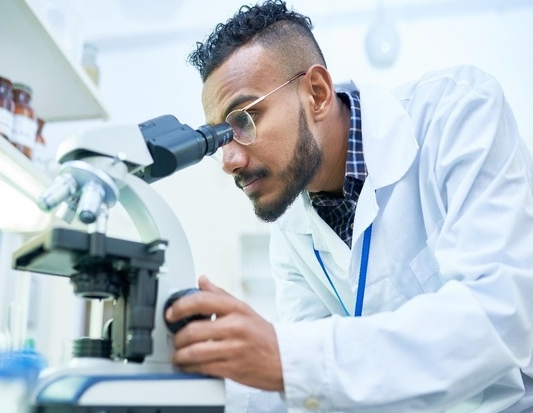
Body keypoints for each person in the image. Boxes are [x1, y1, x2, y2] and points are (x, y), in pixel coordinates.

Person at [164, 1, 533, 412]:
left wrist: (285, 355)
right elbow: (313, 395)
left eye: (244, 120)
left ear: (317, 94)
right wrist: (208, 376)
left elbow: (501, 314)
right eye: (219, 138)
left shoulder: (458, 114)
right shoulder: (290, 225)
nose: (229, 161)